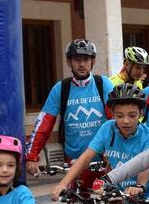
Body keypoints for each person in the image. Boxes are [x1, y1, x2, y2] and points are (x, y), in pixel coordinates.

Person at [54, 83, 149, 204]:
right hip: (130, 197)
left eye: (132, 115)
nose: (126, 121)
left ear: (141, 113)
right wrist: (64, 183)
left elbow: (145, 165)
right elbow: (86, 157)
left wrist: (140, 186)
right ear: (112, 114)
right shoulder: (107, 129)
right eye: (119, 115)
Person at [26, 39, 112, 176]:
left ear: (93, 62)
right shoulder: (60, 88)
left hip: (103, 161)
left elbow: (115, 118)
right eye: (77, 60)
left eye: (86, 60)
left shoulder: (103, 84)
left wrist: (114, 150)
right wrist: (31, 156)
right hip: (73, 163)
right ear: (68, 62)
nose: (82, 64)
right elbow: (44, 124)